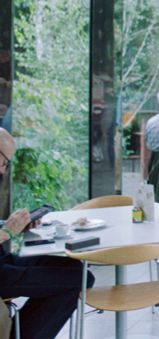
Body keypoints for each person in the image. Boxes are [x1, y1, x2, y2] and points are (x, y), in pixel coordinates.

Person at [0, 130, 95, 339]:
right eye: (5, 162)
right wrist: (7, 232)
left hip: (3, 260)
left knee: (72, 268)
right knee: (80, 278)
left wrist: (12, 225)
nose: (4, 170)